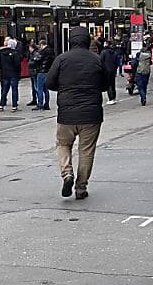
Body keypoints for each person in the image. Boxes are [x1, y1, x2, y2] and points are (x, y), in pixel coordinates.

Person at [45, 26, 108, 200]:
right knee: (86, 151)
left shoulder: (62, 59)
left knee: (63, 144)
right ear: (88, 41)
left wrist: (64, 88)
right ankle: (81, 188)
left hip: (67, 113)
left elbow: (49, 82)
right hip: (91, 114)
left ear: (70, 40)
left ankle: (67, 174)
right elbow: (105, 84)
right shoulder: (96, 59)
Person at [0, 37, 22, 112]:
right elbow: (17, 64)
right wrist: (18, 73)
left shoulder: (1, 53)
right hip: (13, 74)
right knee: (14, 89)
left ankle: (1, 105)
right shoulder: (15, 53)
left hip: (5, 74)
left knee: (4, 90)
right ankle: (14, 106)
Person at [30, 38, 55, 111]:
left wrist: (35, 59)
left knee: (39, 88)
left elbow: (37, 60)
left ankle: (40, 104)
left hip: (41, 71)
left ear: (41, 45)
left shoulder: (43, 52)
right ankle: (46, 104)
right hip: (48, 71)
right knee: (46, 89)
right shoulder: (51, 51)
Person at [99, 39, 119, 105]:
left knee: (109, 85)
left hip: (106, 70)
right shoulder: (114, 52)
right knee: (113, 84)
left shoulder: (103, 52)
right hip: (113, 70)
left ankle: (110, 98)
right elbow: (117, 62)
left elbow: (101, 61)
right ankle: (114, 98)